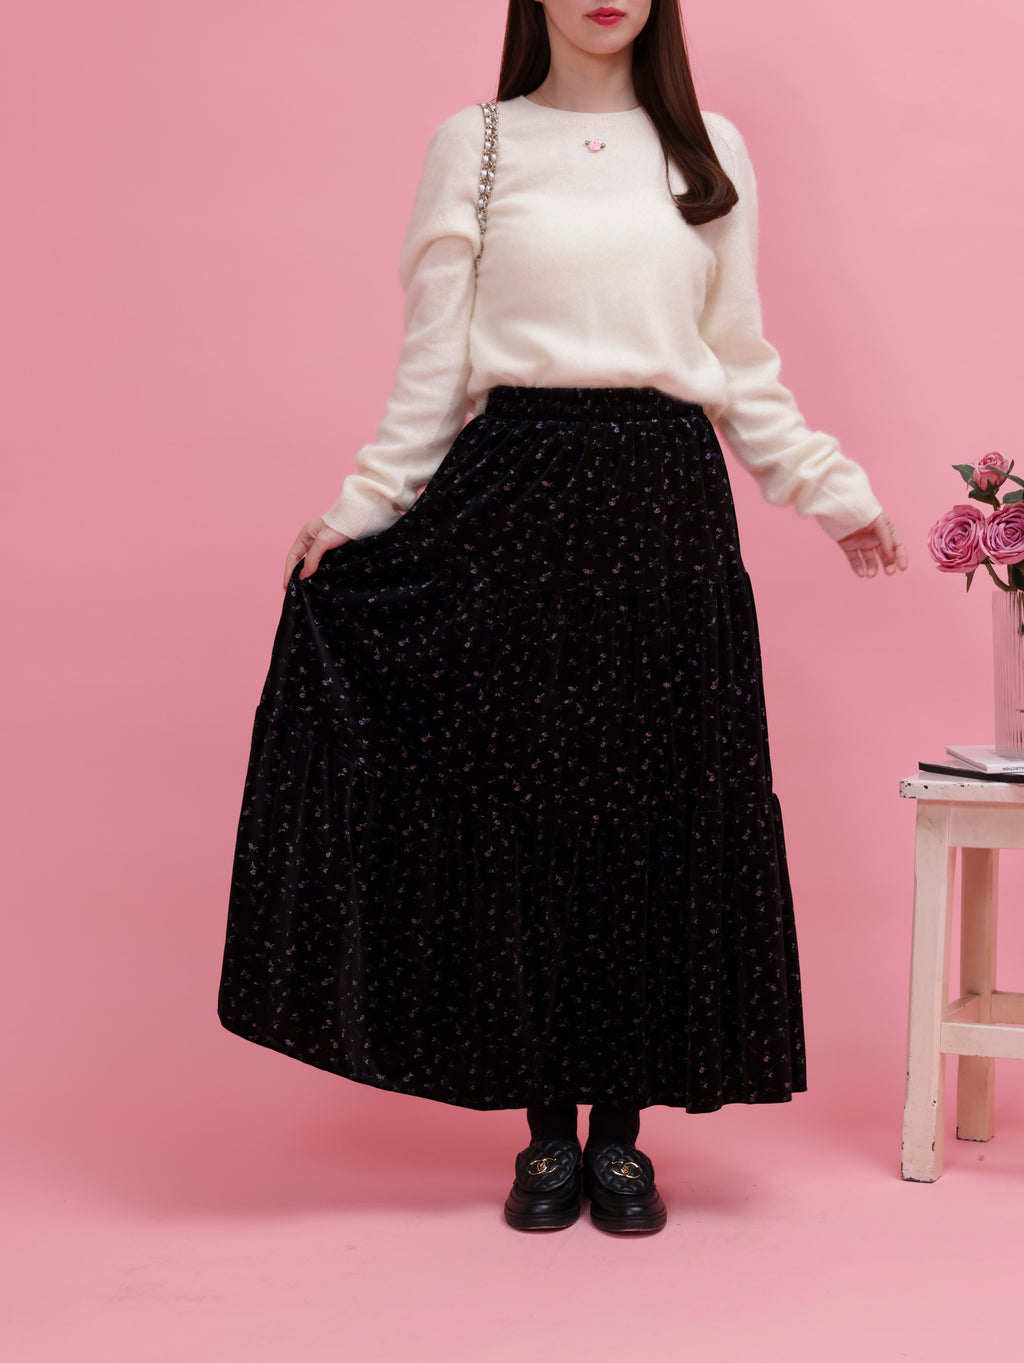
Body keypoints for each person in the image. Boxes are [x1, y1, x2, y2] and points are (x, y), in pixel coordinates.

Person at [217, 0, 908, 1237]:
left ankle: (622, 1136)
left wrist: (829, 491)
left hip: (665, 514)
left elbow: (738, 359)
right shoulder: (475, 143)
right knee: (529, 810)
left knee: (648, 813)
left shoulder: (708, 148)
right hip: (513, 508)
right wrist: (360, 509)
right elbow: (434, 367)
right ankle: (545, 1131)